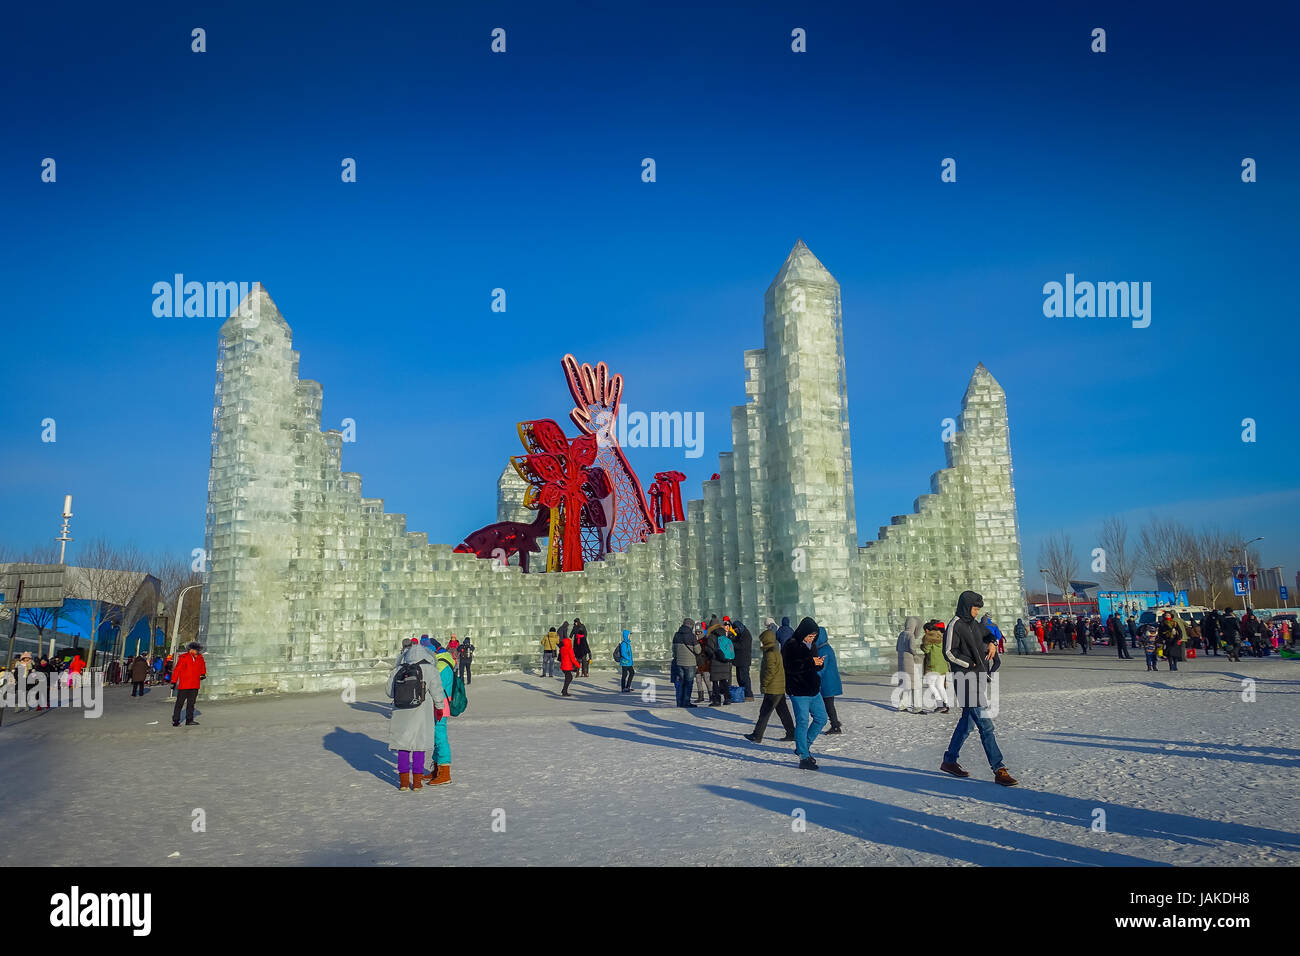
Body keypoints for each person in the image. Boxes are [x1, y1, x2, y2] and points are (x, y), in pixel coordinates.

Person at [940, 590, 1017, 786]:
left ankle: (949, 761)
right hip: (965, 681)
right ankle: (999, 769)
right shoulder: (954, 625)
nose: (976, 612)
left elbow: (988, 633)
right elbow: (948, 652)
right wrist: (970, 664)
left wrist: (992, 642)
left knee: (967, 724)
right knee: (986, 725)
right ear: (966, 607)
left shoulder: (973, 624)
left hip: (978, 679)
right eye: (974, 608)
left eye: (978, 609)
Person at [385, 639, 446, 791]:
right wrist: (439, 708)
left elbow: (389, 692)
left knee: (403, 747)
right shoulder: (430, 669)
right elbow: (437, 691)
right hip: (422, 713)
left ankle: (404, 783)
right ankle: (417, 783)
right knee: (419, 747)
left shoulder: (399, 668)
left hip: (401, 712)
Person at [782, 617, 827, 769]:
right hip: (798, 690)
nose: (811, 638)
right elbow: (790, 667)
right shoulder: (791, 645)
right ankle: (804, 757)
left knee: (821, 718)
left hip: (813, 689)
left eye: (814, 636)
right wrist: (811, 663)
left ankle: (803, 747)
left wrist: (819, 664)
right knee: (802, 722)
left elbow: (812, 667)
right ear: (803, 633)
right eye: (809, 635)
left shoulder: (812, 646)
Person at [744, 627, 796, 743]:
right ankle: (792, 733)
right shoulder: (775, 650)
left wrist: (765, 683)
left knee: (764, 712)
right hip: (778, 687)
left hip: (773, 688)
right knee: (783, 711)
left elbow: (770, 670)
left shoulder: (770, 653)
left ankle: (757, 735)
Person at [815, 626, 844, 733]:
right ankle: (835, 723)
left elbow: (821, 667)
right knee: (828, 704)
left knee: (828, 704)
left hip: (827, 683)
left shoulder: (823, 650)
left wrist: (813, 677)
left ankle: (835, 725)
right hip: (828, 682)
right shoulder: (825, 648)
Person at [171, 642, 207, 727]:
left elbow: (203, 668)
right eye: (196, 650)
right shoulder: (184, 657)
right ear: (191, 650)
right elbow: (177, 670)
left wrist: (203, 674)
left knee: (191, 703)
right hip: (184, 685)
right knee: (179, 703)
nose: (197, 651)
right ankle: (176, 720)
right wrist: (173, 681)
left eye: (198, 650)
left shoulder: (200, 658)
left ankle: (189, 720)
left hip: (194, 684)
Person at [896, 616, 925, 714]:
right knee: (915, 685)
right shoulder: (910, 635)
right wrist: (916, 655)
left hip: (902, 662)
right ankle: (917, 707)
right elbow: (912, 648)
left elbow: (897, 648)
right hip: (911, 663)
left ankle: (902, 705)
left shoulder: (901, 634)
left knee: (905, 684)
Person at [921, 620, 951, 713]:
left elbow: (926, 650)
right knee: (940, 686)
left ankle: (940, 704)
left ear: (927, 630)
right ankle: (946, 704)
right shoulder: (941, 635)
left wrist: (922, 646)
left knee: (931, 685)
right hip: (943, 665)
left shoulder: (928, 637)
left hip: (933, 665)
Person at [671, 618, 698, 708]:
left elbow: (674, 650)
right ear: (691, 625)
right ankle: (686, 702)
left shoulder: (676, 635)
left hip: (679, 663)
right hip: (690, 663)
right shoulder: (692, 636)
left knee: (681, 683)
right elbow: (698, 650)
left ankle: (680, 702)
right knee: (689, 683)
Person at [704, 622, 733, 706]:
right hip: (725, 663)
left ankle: (716, 700)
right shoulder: (725, 637)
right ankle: (727, 699)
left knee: (715, 682)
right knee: (724, 681)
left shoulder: (712, 637)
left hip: (715, 662)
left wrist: (710, 656)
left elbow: (709, 649)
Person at [731, 620, 755, 700]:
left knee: (744, 678)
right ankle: (743, 693)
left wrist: (732, 644)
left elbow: (742, 646)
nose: (735, 631)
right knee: (740, 678)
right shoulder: (740, 634)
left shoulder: (746, 635)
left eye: (736, 629)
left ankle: (748, 695)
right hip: (740, 660)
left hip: (744, 660)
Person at [692, 626, 712, 702]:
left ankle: (711, 695)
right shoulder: (694, 640)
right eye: (696, 632)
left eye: (699, 632)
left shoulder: (705, 640)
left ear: (702, 632)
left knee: (707, 680)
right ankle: (700, 696)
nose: (698, 634)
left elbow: (709, 652)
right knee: (698, 680)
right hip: (697, 663)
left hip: (705, 663)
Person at [558, 626, 578, 697]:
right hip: (567, 666)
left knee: (568, 678)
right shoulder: (569, 649)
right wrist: (578, 665)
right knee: (569, 678)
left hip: (563, 666)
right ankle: (564, 691)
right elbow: (573, 659)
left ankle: (564, 690)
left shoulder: (562, 649)